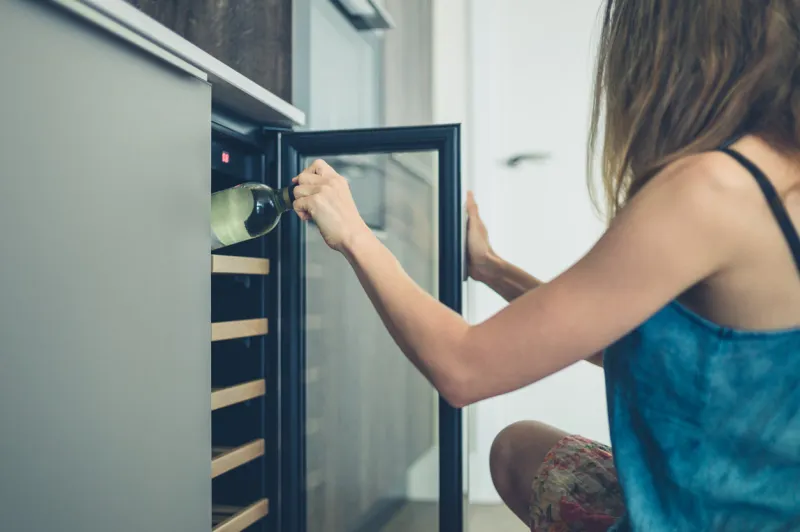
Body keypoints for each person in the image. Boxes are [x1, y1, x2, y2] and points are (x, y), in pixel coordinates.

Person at [291, 0, 800, 529]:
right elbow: (641, 343)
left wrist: (353, 233)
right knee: (518, 449)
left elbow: (463, 369)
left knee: (520, 447)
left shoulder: (710, 189)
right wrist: (491, 268)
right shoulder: (780, 176)